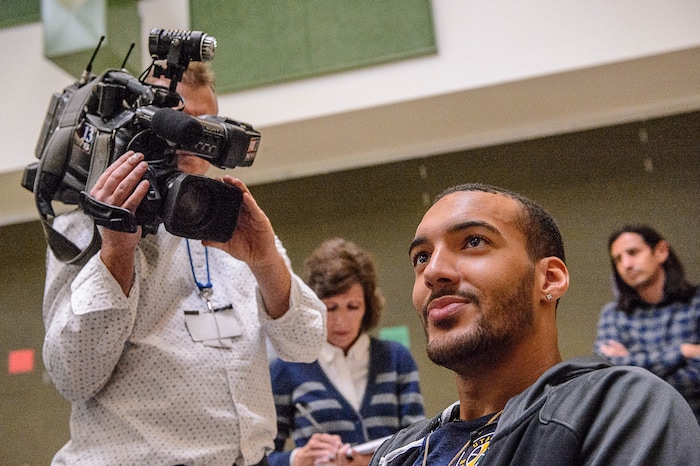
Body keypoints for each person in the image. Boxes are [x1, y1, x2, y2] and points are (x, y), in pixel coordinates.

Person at [41, 62, 326, 465]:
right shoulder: (83, 230)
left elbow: (307, 343)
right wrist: (116, 253)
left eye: (206, 123)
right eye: (177, 121)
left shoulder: (231, 218)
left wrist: (265, 261)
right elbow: (74, 376)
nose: (196, 139)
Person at [369, 183, 700, 465]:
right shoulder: (395, 454)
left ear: (550, 279)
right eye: (422, 257)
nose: (432, 271)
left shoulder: (620, 409)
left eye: (473, 242)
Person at [268, 238, 425, 466]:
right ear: (313, 306)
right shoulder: (287, 367)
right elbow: (263, 457)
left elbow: (420, 445)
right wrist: (297, 459)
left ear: (368, 305)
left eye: (353, 307)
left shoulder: (397, 359)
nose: (341, 321)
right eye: (330, 308)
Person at [594, 224, 700, 423]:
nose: (626, 264)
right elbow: (608, 375)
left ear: (661, 251)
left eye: (633, 252)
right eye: (618, 259)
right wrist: (683, 352)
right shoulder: (613, 314)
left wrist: (631, 362)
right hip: (638, 434)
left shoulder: (696, 304)